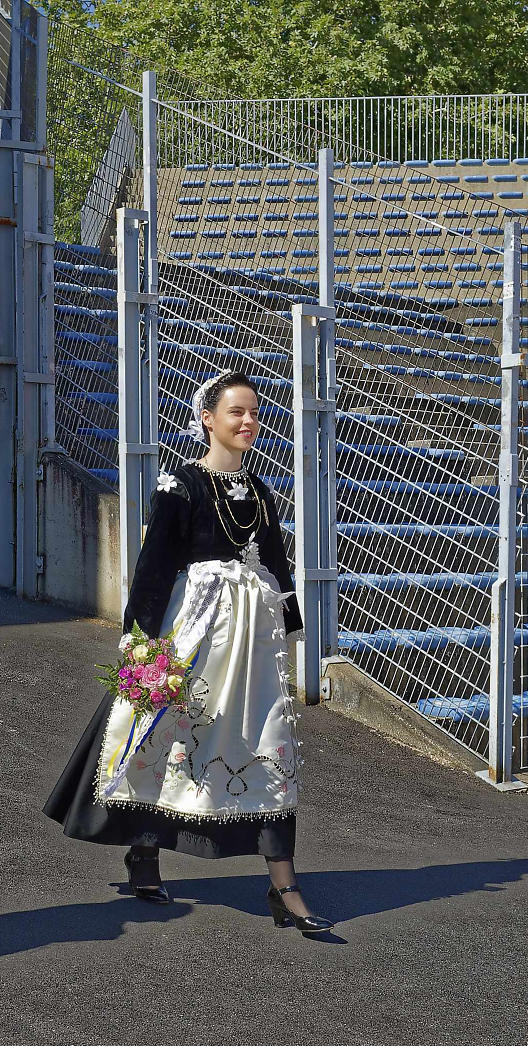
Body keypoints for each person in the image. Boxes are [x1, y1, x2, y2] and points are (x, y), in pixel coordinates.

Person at [44, 370, 332, 934]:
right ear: (207, 417)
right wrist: (140, 641)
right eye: (236, 412)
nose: (248, 421)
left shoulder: (263, 493)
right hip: (197, 632)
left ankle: (285, 884)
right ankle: (145, 851)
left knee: (267, 748)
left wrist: (289, 628)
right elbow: (153, 568)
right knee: (166, 736)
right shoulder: (181, 485)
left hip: (253, 648)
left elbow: (277, 565)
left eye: (254, 412)